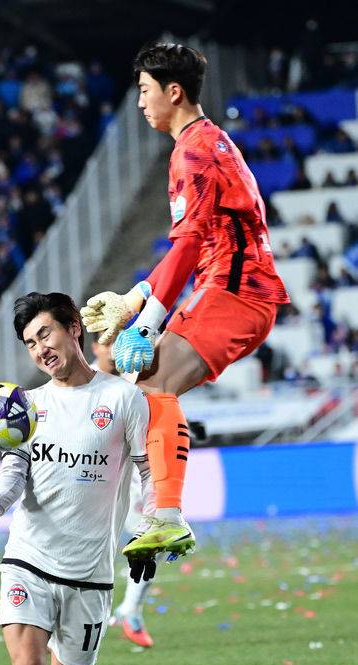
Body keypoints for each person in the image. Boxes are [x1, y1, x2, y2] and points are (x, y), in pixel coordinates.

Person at [81, 42, 289, 558]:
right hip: (237, 290)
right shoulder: (209, 141)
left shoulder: (192, 152)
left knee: (151, 383)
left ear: (173, 92)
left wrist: (146, 323)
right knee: (144, 391)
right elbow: (193, 246)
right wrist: (134, 299)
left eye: (144, 90)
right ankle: (156, 513)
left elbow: (191, 245)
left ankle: (164, 515)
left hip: (235, 292)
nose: (140, 102)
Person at [0, 292, 158, 665]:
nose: (40, 349)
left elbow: (148, 473)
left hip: (89, 573)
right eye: (30, 343)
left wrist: (149, 533)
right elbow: (14, 469)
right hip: (28, 559)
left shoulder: (123, 398)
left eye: (45, 334)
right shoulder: (28, 406)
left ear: (74, 327)